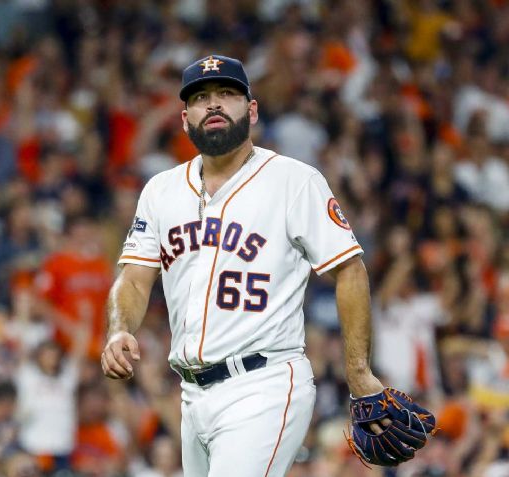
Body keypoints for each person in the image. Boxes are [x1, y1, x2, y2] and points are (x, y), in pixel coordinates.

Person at [101, 54, 389, 476]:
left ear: (251, 110)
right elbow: (135, 277)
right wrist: (119, 327)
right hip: (192, 394)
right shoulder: (160, 191)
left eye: (226, 94)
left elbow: (349, 269)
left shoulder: (294, 180)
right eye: (201, 98)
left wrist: (358, 372)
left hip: (265, 383)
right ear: (184, 118)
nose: (213, 104)